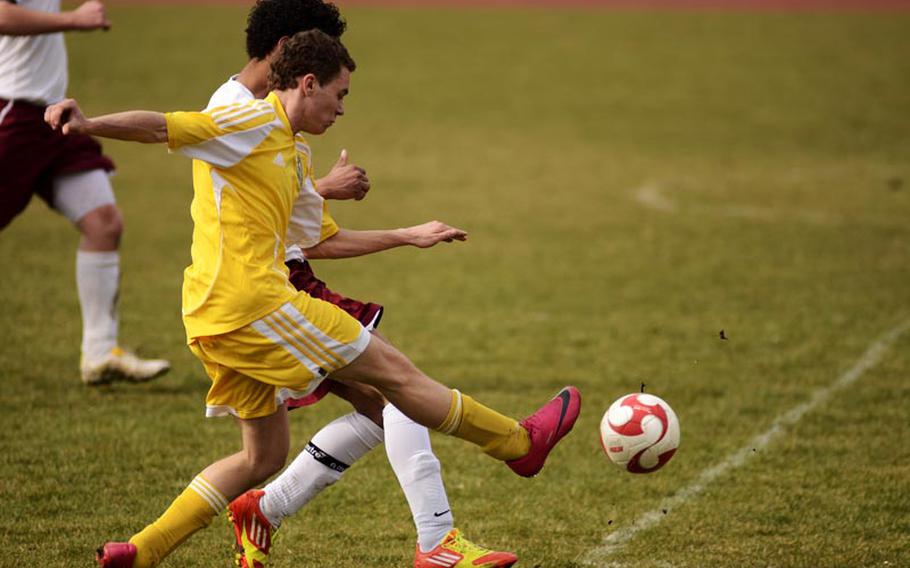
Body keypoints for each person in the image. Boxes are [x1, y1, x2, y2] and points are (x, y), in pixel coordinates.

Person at [46, 29, 581, 568]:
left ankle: (141, 551)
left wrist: (407, 234)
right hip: (255, 304)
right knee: (395, 375)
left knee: (263, 457)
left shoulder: (296, 154)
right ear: (307, 84)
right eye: (340, 94)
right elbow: (163, 125)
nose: (343, 109)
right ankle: (517, 445)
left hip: (213, 317)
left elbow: (320, 240)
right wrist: (89, 123)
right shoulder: (250, 120)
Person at [214, 2, 518, 567]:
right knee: (398, 395)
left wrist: (322, 194)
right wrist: (321, 188)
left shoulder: (267, 115)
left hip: (278, 282)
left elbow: (283, 204)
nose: (339, 99)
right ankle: (440, 540)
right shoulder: (236, 109)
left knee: (383, 403)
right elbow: (244, 204)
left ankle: (267, 509)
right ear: (288, 53)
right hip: (272, 290)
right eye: (333, 80)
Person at [0, 0, 169, 385]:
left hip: (50, 112)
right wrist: (73, 20)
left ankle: (99, 352)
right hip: (13, 110)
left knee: (103, 223)